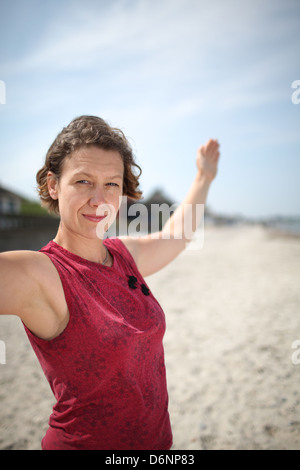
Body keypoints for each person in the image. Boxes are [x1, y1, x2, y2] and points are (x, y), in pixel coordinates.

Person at [0, 115, 220, 450]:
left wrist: (204, 176)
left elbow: (178, 234)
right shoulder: (44, 273)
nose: (99, 199)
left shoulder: (123, 256)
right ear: (53, 185)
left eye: (112, 184)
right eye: (83, 182)